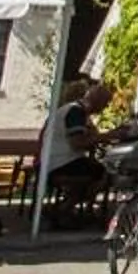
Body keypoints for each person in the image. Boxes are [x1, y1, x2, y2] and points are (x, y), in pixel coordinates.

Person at [43, 77, 114, 214]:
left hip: (56, 160)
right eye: (105, 103)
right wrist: (109, 136)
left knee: (96, 169)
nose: (106, 107)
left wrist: (99, 136)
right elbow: (77, 143)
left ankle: (67, 207)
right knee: (107, 174)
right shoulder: (75, 112)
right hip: (61, 162)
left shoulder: (78, 112)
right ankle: (65, 208)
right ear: (97, 101)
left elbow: (88, 138)